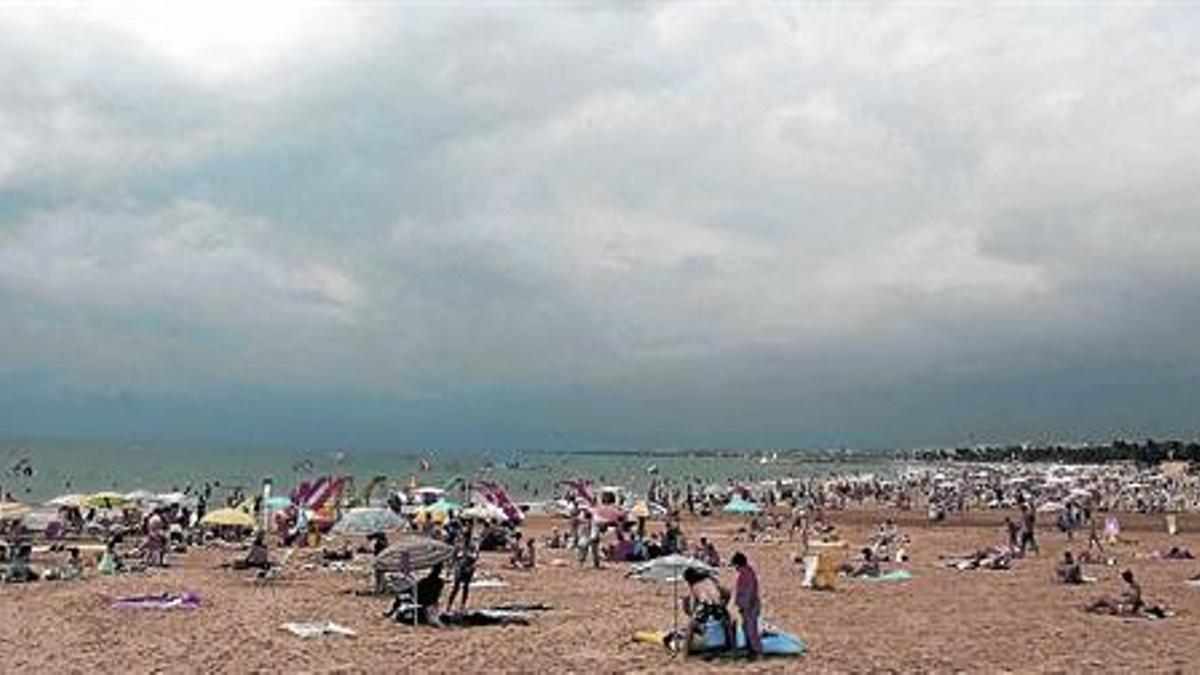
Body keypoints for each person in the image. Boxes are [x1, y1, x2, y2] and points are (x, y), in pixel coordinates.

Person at [680, 567, 733, 659]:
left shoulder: (694, 586)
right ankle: (732, 648)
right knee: (727, 625)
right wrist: (725, 605)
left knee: (690, 627)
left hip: (705, 605)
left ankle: (684, 655)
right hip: (718, 604)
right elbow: (728, 593)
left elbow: (694, 608)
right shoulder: (710, 581)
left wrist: (690, 614)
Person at [731, 551, 763, 660]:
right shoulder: (747, 573)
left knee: (751, 629)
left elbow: (749, 592)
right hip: (747, 606)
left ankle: (756, 652)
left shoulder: (747, 575)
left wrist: (745, 606)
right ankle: (751, 650)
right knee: (746, 628)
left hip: (750, 607)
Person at [446, 542, 477, 611]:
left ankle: (461, 605)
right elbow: (454, 558)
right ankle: (450, 605)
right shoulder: (460, 545)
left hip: (467, 568)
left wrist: (471, 568)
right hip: (460, 568)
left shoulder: (472, 545)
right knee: (457, 587)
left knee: (464, 588)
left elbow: (474, 559)